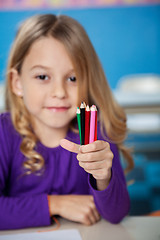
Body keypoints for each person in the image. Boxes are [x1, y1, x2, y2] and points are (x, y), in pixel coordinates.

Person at [0, 14, 134, 230]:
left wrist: (103, 176)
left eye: (73, 78)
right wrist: (56, 204)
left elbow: (117, 214)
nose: (59, 92)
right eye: (43, 77)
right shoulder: (3, 133)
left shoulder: (97, 131)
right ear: (17, 83)